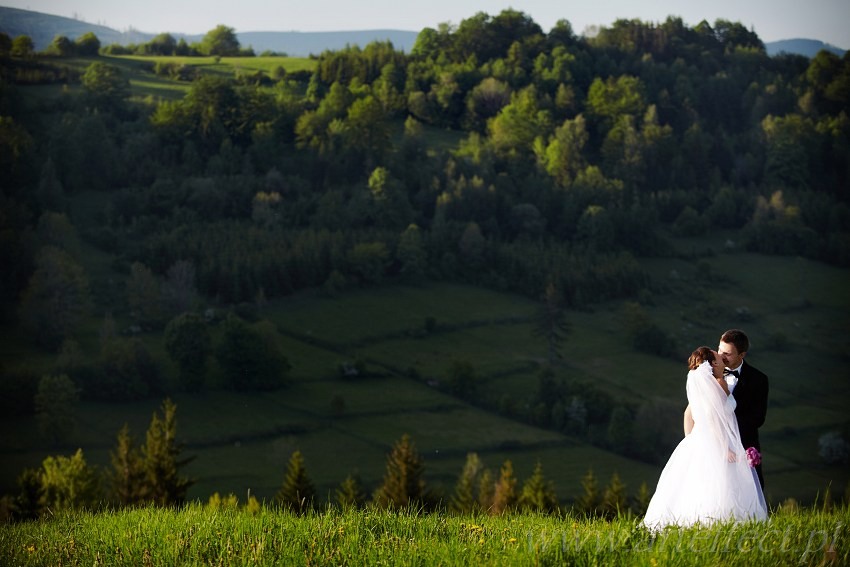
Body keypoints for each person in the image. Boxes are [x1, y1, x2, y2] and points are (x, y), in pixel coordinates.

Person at [642, 347, 767, 530]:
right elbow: (714, 420)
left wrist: (692, 441)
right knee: (721, 484)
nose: (722, 359)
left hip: (700, 440)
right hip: (718, 441)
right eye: (719, 357)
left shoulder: (701, 387)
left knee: (695, 484)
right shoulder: (719, 384)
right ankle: (719, 523)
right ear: (714, 364)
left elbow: (688, 415)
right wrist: (724, 448)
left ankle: (693, 523)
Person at [718, 329, 769, 489]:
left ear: (742, 355)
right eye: (720, 350)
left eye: (727, 353)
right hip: (714, 442)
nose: (720, 356)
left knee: (748, 492)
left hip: (743, 444)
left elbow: (758, 418)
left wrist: (732, 438)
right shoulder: (708, 375)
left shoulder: (758, 379)